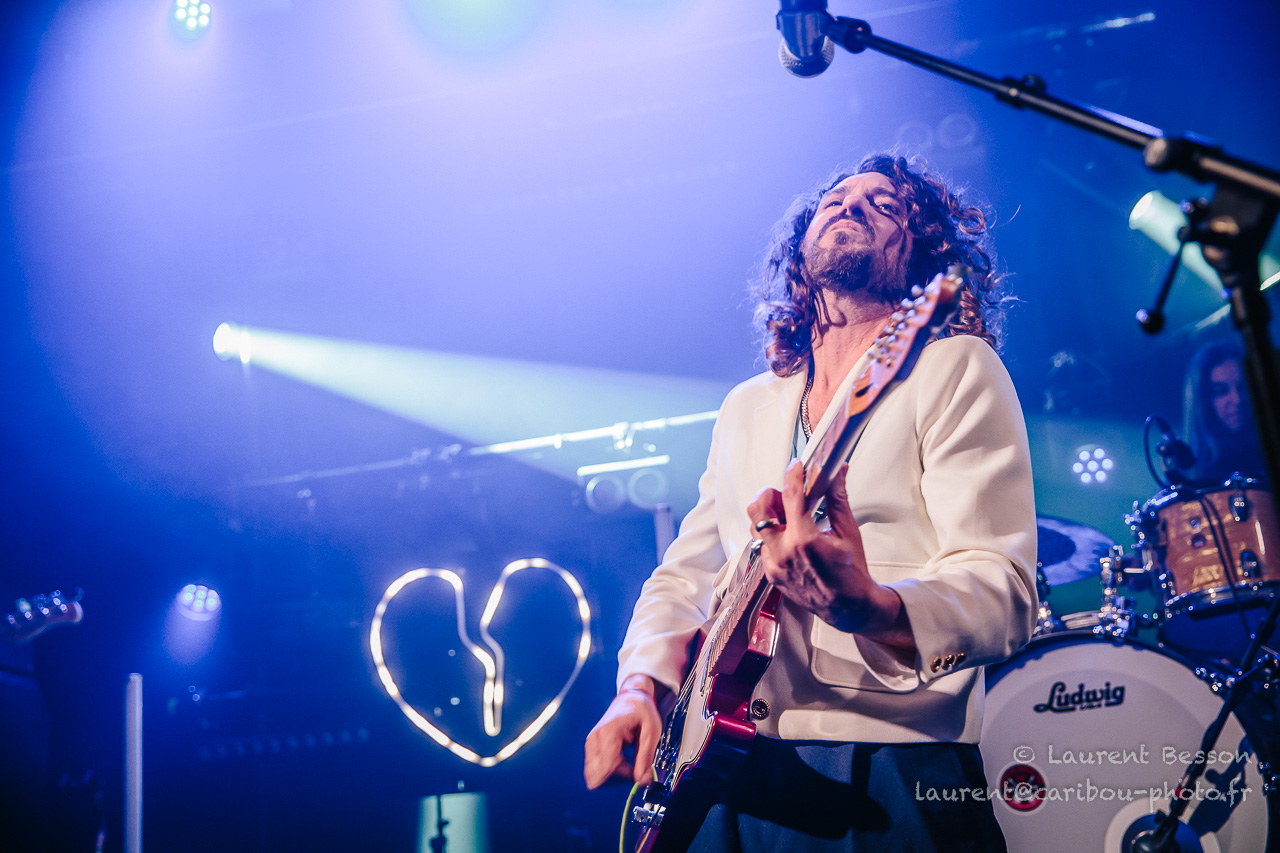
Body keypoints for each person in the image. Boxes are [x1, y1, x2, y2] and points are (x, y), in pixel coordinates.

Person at [583, 153, 1038, 851]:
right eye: (837, 198)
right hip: (719, 769)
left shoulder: (954, 366)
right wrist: (639, 687)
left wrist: (870, 608)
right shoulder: (747, 405)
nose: (851, 205)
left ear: (922, 256)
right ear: (799, 251)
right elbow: (687, 575)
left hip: (885, 768)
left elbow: (1003, 591)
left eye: (885, 205)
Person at [1183, 341, 1265, 485]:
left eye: (1243, 387)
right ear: (1204, 401)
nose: (1237, 399)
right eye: (1221, 390)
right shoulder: (1187, 473)